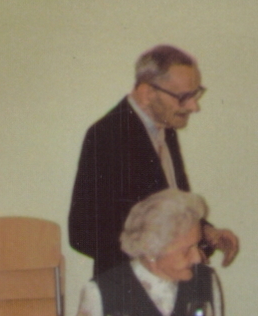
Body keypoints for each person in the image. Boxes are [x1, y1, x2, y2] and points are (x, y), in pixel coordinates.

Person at [68, 44, 240, 276]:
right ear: (147, 93)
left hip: (166, 281)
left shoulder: (166, 129)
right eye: (183, 97)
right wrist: (158, 259)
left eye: (195, 94)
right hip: (128, 286)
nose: (193, 106)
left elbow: (169, 211)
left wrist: (206, 233)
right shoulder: (107, 135)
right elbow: (83, 233)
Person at [72, 189, 226, 316]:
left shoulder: (206, 279)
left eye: (197, 245)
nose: (197, 257)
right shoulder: (101, 290)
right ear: (152, 251)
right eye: (186, 250)